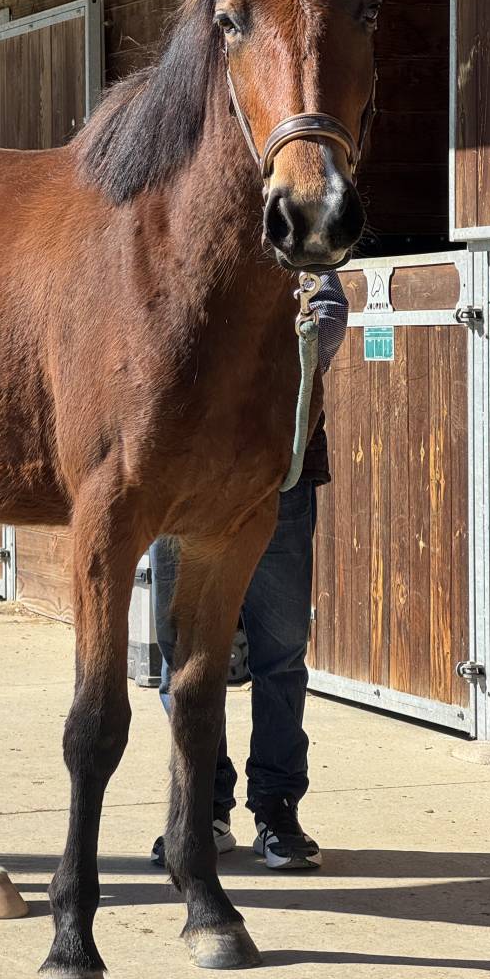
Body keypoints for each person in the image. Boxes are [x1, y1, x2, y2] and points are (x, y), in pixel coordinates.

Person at [150, 270, 348, 871]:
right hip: (181, 484)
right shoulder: (175, 245)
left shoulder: (291, 246)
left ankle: (277, 811)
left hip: (275, 482)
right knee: (183, 655)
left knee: (280, 653)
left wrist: (310, 327)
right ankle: (201, 806)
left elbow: (330, 309)